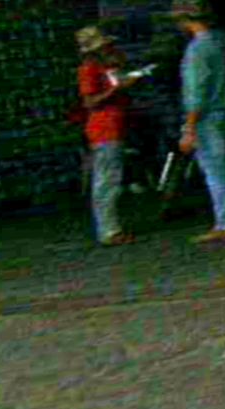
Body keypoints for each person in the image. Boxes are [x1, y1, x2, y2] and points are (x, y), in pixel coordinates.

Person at [172, 0, 225, 243]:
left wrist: (189, 128)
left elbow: (196, 92)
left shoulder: (197, 50)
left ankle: (224, 222)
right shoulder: (223, 41)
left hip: (208, 116)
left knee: (214, 169)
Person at [75, 26, 140, 247]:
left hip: (114, 126)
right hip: (104, 129)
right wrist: (116, 89)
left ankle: (111, 227)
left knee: (111, 177)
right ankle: (109, 230)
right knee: (107, 180)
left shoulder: (106, 67)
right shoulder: (89, 69)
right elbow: (90, 101)